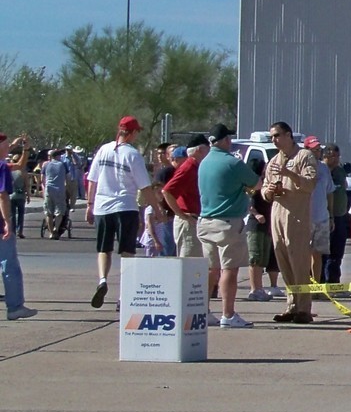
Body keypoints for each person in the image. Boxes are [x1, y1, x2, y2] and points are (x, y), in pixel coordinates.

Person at [86, 116, 155, 308]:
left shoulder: (103, 150)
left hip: (102, 206)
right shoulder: (133, 155)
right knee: (127, 253)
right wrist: (157, 208)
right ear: (131, 133)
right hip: (125, 207)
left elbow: (92, 179)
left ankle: (102, 279)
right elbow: (145, 186)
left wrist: (90, 205)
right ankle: (124, 295)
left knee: (103, 249)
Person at [196, 125, 258, 328]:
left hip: (205, 221)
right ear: (224, 140)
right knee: (229, 269)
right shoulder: (233, 162)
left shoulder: (203, 163)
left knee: (211, 269)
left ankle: (203, 311)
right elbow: (256, 184)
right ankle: (228, 314)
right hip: (228, 222)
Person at [258, 121, 319, 323]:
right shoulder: (273, 161)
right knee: (282, 259)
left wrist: (289, 174)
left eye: (277, 136)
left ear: (288, 135)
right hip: (277, 214)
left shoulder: (304, 156)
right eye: (272, 137)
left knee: (298, 260)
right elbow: (264, 190)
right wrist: (270, 192)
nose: (274, 140)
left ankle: (304, 308)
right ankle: (291, 305)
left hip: (297, 216)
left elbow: (309, 184)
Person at [0, 132, 32, 319]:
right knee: (9, 265)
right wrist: (7, 222)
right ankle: (15, 307)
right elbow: (2, 195)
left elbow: (19, 165)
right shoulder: (2, 166)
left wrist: (24, 148)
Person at [162, 135, 208, 265]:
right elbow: (167, 191)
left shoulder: (197, 167)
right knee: (189, 264)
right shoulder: (188, 167)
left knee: (198, 264)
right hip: (188, 222)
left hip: (196, 220)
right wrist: (181, 214)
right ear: (199, 150)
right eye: (208, 149)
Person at [303, 137, 335, 288]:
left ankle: (316, 285)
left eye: (318, 150)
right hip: (304, 218)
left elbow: (330, 192)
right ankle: (303, 284)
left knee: (318, 253)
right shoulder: (300, 166)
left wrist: (331, 216)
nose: (317, 152)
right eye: (314, 150)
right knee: (304, 254)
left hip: (321, 217)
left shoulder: (323, 168)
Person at [323, 144, 351, 283]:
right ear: (325, 156)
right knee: (324, 252)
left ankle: (334, 282)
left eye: (337, 156)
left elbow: (345, 186)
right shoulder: (322, 171)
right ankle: (321, 280)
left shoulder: (340, 171)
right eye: (332, 156)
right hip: (326, 216)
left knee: (338, 251)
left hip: (340, 216)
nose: (335, 159)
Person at [39, 147, 70, 238]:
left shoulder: (45, 165)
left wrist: (43, 188)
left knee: (49, 211)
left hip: (49, 189)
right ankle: (56, 228)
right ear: (56, 156)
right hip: (60, 189)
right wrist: (68, 188)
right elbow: (68, 178)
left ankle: (51, 231)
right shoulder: (63, 165)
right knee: (59, 211)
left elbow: (42, 179)